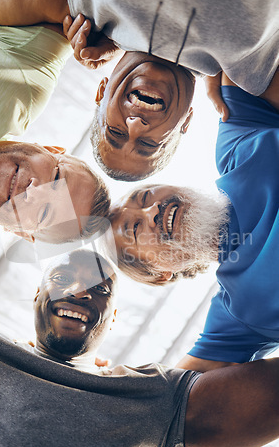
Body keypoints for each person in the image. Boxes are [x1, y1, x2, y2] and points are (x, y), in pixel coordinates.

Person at [0, 247, 279, 447]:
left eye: (100, 289)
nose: (78, 292)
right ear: (37, 295)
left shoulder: (154, 396)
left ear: (113, 318)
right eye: (63, 277)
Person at [0, 0, 279, 181]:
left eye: (116, 132)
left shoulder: (79, 8)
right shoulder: (252, 68)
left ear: (101, 91)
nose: (135, 125)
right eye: (149, 144)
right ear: (186, 122)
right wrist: (222, 72)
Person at [109, 73, 279, 368]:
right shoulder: (238, 313)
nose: (152, 211)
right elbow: (169, 394)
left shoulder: (235, 149)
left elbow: (242, 49)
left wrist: (215, 67)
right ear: (160, 272)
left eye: (146, 195)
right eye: (135, 229)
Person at [0, 10, 110, 314]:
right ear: (51, 148)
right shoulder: (27, 78)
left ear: (20, 233)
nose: (34, 189)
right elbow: (77, 2)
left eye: (45, 212)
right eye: (57, 177)